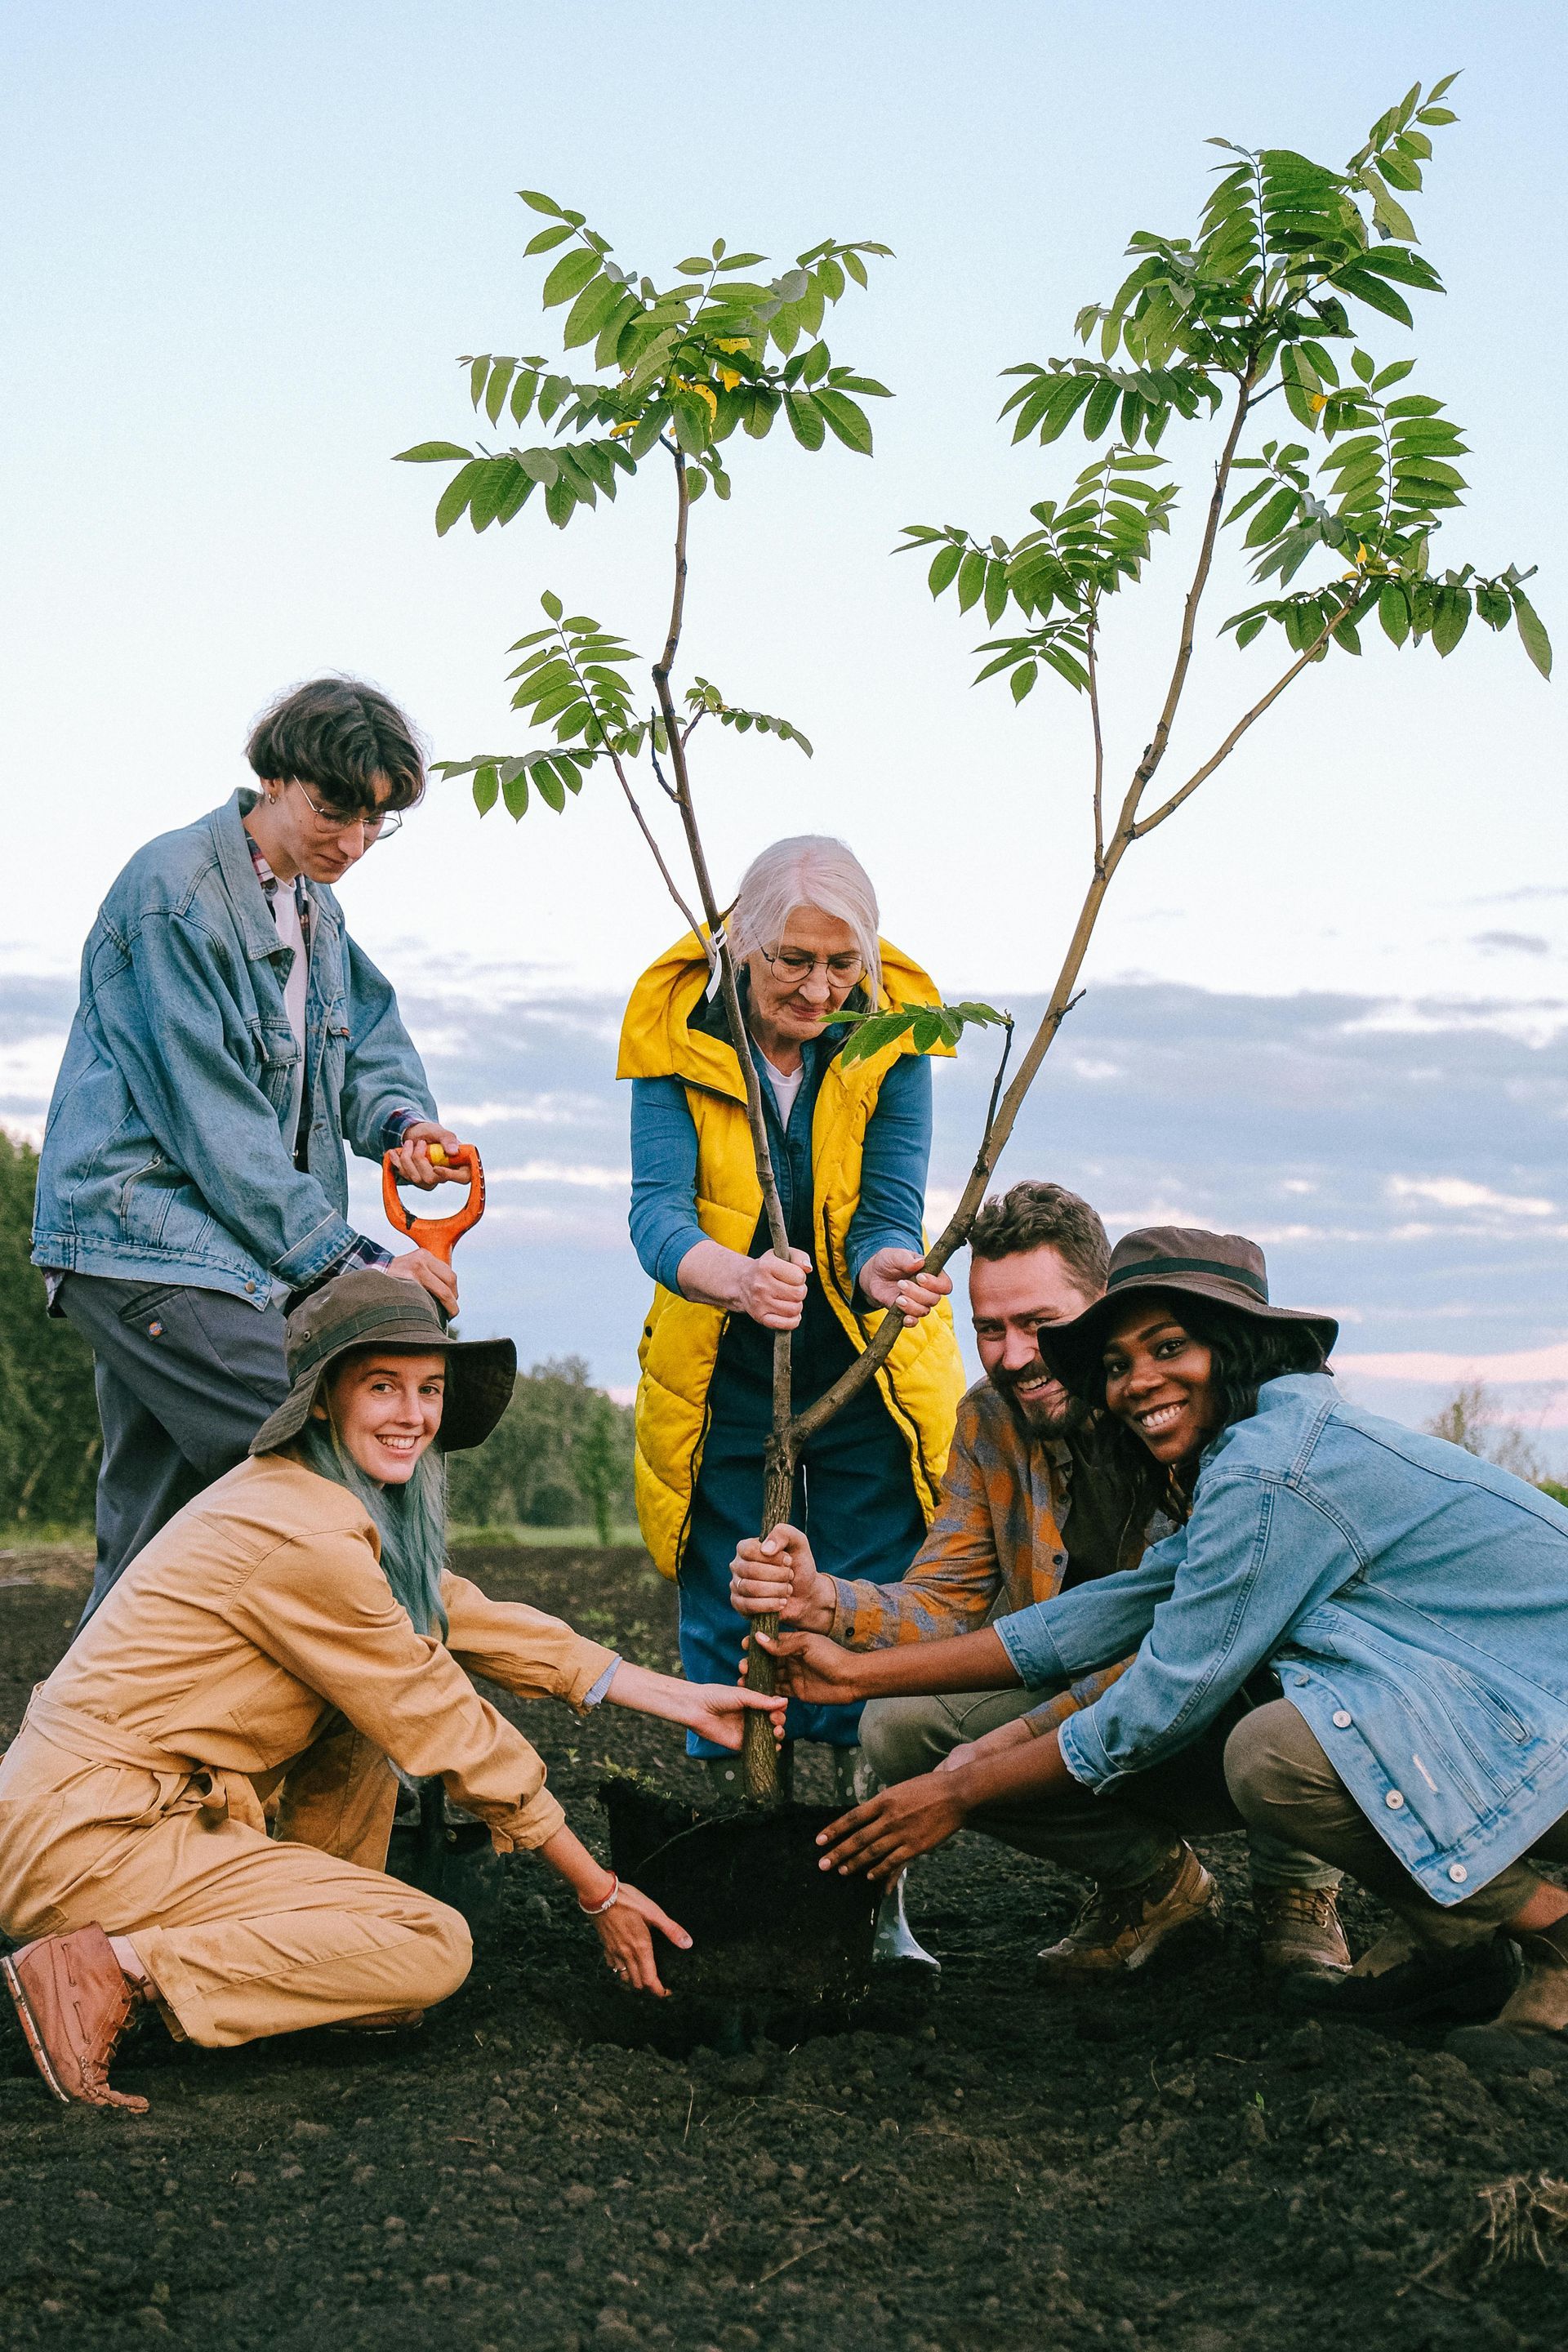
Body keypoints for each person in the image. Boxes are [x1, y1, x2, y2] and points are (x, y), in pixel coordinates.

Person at [758, 1227, 1568, 2058]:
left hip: (1543, 1733)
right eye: (1116, 1365)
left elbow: (1159, 1698)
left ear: (1237, 1346)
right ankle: (1455, 1948)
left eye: (1170, 1348)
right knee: (1283, 1729)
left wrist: (966, 1788)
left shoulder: (1269, 1470)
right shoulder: (1249, 1452)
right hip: (1511, 1728)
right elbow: (1098, 1617)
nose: (1139, 1382)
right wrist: (857, 1673)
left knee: (1277, 1753)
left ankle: (1551, 1939)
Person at [0, 1271, 785, 2114]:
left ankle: (304, 1957)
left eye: (430, 1389)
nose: (412, 1415)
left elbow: (453, 1613)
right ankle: (101, 1972)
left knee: (384, 1952)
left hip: (107, 1815)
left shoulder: (305, 1501)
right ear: (326, 1398)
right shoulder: (299, 1531)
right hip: (92, 1834)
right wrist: (598, 1888)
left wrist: (677, 1697)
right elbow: (438, 1716)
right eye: (383, 1386)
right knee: (430, 1946)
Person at [731, 1184, 1349, 1980]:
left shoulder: (1204, 1421)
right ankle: (1155, 1885)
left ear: (1103, 1312)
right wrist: (825, 1604)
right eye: (990, 1329)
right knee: (899, 1728)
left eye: (1040, 1326)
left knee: (1282, 1676)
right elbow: (946, 1603)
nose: (1014, 1355)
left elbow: (1178, 1656)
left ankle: (1298, 1895)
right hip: (1096, 1710)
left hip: (1227, 1714)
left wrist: (980, 1770)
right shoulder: (992, 1421)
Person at [32, 678, 468, 1613]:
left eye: (375, 824)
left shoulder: (316, 908)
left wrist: (401, 1127)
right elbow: (215, 1119)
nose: (352, 843)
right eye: (336, 810)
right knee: (334, 1456)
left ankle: (78, 1757)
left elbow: (366, 1045)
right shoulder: (174, 894)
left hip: (228, 1253)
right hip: (143, 1239)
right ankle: (404, 1747)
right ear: (275, 776)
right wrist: (356, 1267)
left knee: (157, 1538)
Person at [620, 835, 966, 1812]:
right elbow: (656, 1211)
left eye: (842, 964)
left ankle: (872, 1866)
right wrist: (732, 1277)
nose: (821, 991)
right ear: (739, 944)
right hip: (722, 1365)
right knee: (736, 1593)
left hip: (867, 1372)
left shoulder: (898, 1032)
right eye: (794, 962)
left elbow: (889, 1209)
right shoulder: (677, 1029)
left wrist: (884, 1268)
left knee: (869, 1597)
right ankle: (752, 1829)